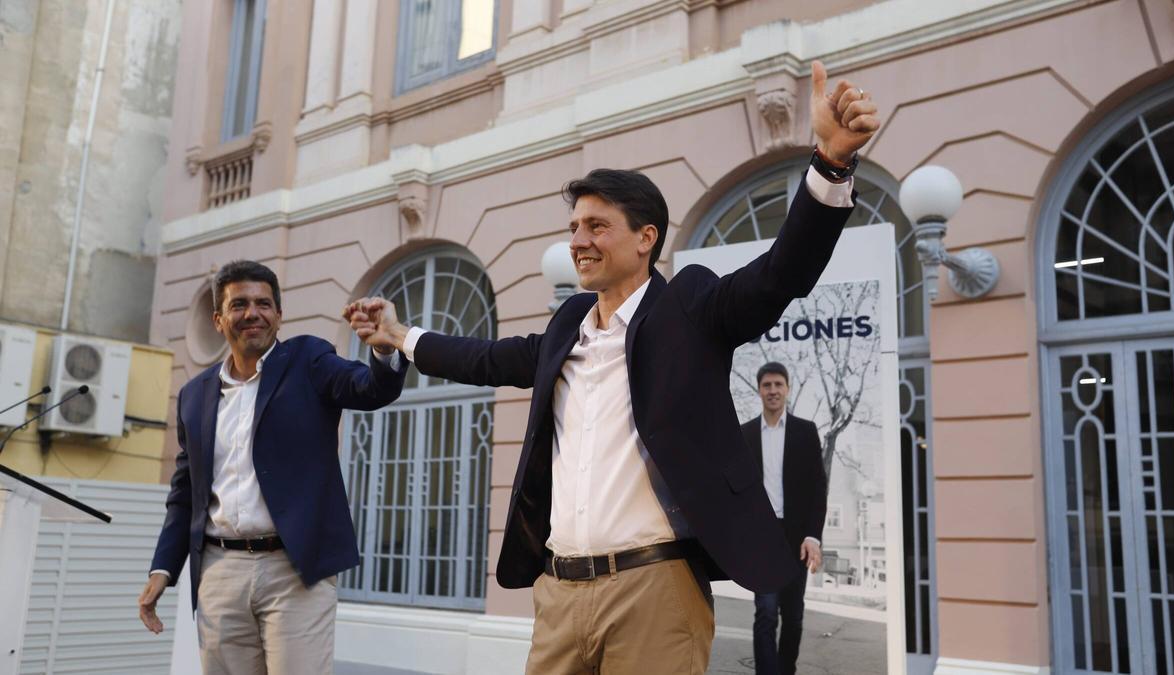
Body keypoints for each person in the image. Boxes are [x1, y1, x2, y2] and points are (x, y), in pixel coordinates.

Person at [346, 61, 878, 674]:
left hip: (652, 591)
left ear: (646, 237)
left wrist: (830, 167)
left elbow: (780, 273)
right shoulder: (567, 327)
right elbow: (487, 358)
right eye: (574, 227)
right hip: (559, 594)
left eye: (597, 226)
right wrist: (399, 335)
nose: (580, 240)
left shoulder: (691, 307)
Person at [137, 260, 407, 675]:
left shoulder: (309, 361)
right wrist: (163, 568)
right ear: (218, 319)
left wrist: (384, 349)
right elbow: (184, 492)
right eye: (239, 304)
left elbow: (369, 389)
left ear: (279, 315)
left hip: (294, 570)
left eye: (264, 303)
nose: (253, 313)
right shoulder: (194, 396)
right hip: (219, 569)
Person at [741, 362, 827, 675]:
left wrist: (813, 536)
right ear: (759, 390)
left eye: (778, 384)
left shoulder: (806, 432)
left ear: (787, 389)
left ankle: (785, 670)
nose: (773, 391)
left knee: (793, 615)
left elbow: (818, 488)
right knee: (765, 613)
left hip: (796, 539)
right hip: (763, 537)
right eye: (767, 385)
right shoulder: (745, 434)